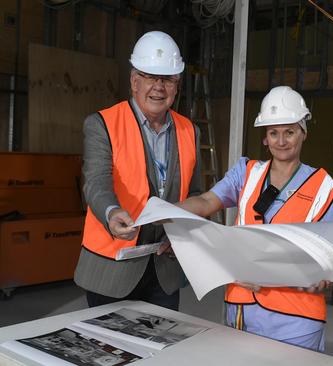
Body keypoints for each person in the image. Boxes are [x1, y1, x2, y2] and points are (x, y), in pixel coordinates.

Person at [177, 86, 333, 351]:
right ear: (265, 138)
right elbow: (207, 201)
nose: (281, 141)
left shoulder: (322, 187)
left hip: (297, 318)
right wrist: (165, 210)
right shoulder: (246, 173)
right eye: (273, 133)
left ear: (303, 133)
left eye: (290, 132)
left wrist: (325, 276)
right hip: (243, 310)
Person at [74, 31, 201, 311]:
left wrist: (180, 233)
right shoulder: (102, 124)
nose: (159, 87)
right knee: (109, 352)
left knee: (161, 351)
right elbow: (96, 183)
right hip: (113, 268)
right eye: (150, 77)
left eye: (167, 79)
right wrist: (111, 213)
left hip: (163, 269)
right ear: (134, 82)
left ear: (177, 85)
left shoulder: (190, 131)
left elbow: (196, 193)